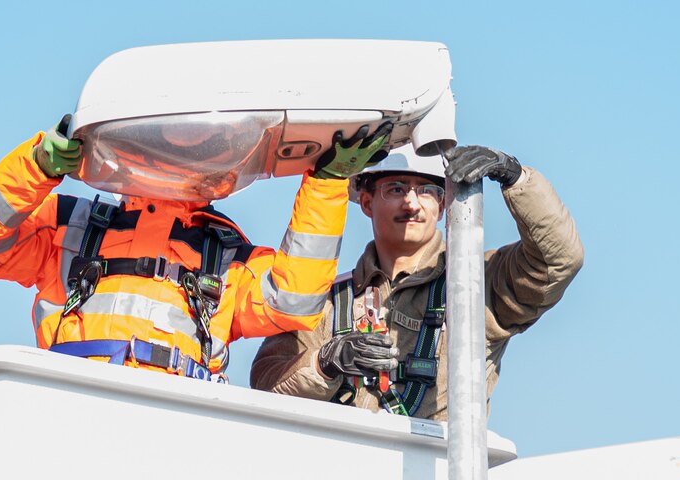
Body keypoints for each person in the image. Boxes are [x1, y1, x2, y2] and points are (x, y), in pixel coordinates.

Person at [0, 120, 392, 380]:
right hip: (69, 398)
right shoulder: (72, 225)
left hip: (176, 418)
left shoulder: (228, 255)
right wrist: (35, 166)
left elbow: (294, 303)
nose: (176, 158)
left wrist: (325, 185)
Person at [249, 145, 582, 418]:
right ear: (366, 202)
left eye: (425, 191)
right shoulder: (327, 303)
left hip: (436, 478)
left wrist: (516, 179)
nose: (411, 202)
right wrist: (325, 363)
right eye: (396, 189)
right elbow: (265, 384)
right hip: (344, 473)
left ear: (441, 206)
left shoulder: (476, 285)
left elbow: (559, 260)